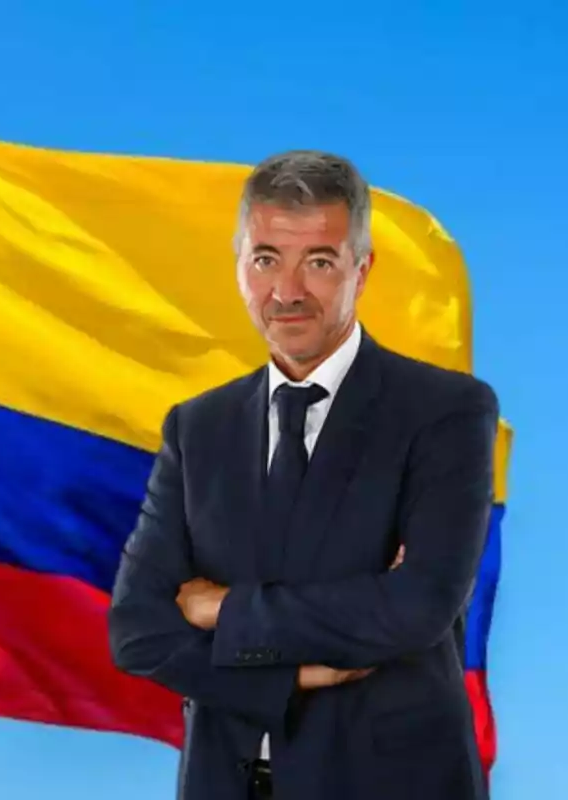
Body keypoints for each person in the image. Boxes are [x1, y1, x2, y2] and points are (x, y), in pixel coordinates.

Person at [107, 150, 498, 800]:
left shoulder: (446, 411)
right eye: (266, 259)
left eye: (318, 261)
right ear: (239, 267)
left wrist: (222, 607)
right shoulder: (196, 429)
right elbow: (137, 632)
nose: (286, 291)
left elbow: (418, 607)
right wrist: (293, 676)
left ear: (361, 270)